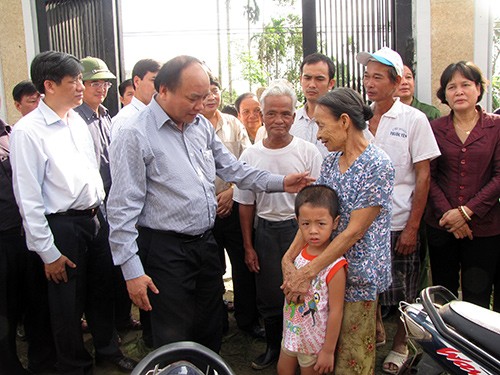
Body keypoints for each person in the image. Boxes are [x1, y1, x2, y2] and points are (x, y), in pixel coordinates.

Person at [107, 55, 314, 355]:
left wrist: (282, 182)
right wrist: (132, 271)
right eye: (193, 98)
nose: (200, 105)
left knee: (210, 324)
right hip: (165, 250)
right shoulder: (134, 133)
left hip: (205, 243)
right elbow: (122, 209)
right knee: (173, 331)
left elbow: (234, 170)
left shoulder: (199, 126)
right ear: (163, 90)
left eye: (204, 97)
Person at [10, 51, 135, 375]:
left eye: (81, 79)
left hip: (94, 219)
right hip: (62, 227)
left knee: (101, 291)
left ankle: (108, 350)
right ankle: (74, 364)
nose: (82, 86)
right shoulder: (28, 131)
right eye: (74, 80)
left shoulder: (76, 120)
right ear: (49, 85)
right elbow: (29, 198)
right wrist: (48, 253)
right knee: (67, 304)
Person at [281, 87, 395, 375]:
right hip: (324, 272)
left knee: (352, 356)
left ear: (344, 121)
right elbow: (314, 214)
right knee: (321, 349)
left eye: (321, 125)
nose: (318, 134)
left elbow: (353, 232)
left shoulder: (377, 165)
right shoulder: (331, 161)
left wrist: (306, 273)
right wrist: (289, 259)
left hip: (357, 275)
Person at [356, 47, 440, 374]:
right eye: (367, 76)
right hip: (363, 223)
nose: (370, 83)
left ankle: (401, 344)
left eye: (378, 77)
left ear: (396, 82)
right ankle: (372, 331)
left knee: (404, 290)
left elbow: (423, 175)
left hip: (399, 219)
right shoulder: (359, 118)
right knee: (366, 284)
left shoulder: (414, 119)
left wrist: (412, 227)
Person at [233, 80, 323, 370]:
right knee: (271, 294)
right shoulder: (250, 155)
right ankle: (276, 348)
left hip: (302, 233)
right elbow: (245, 203)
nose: (278, 120)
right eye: (271, 113)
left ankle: (304, 349)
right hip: (267, 231)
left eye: (285, 114)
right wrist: (248, 245)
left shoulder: (308, 152)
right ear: (262, 114)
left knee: (306, 292)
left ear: (294, 117)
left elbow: (319, 200)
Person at [74, 56, 141, 344]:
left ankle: (117, 324)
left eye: (104, 83)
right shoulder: (74, 119)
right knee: (94, 280)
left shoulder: (105, 116)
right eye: (94, 83)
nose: (101, 88)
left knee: (112, 271)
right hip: (87, 207)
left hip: (113, 202)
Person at [425, 61, 500, 312]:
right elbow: (429, 176)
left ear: (478, 89)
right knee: (443, 296)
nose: (459, 91)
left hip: (484, 228)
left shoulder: (496, 127)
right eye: (451, 86)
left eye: (466, 85)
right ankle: (445, 348)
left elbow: (499, 176)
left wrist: (466, 212)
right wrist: (451, 215)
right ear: (444, 94)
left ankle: (474, 349)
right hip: (441, 224)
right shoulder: (435, 128)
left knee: (477, 295)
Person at [200, 73, 264, 339]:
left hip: (234, 206)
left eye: (215, 90)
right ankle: (218, 324)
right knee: (211, 268)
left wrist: (232, 192)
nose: (212, 96)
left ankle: (247, 320)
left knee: (243, 265)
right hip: (205, 211)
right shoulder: (189, 125)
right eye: (205, 92)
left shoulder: (233, 124)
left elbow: (246, 164)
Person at [0, 97, 56, 375]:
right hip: (2, 239)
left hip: (24, 235)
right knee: (5, 310)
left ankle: (42, 362)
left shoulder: (8, 133)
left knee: (36, 303)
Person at [277, 185, 347, 375]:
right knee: (283, 370)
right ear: (297, 222)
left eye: (321, 223)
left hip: (314, 342)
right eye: (306, 224)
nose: (313, 231)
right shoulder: (296, 255)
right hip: (291, 333)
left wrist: (328, 350)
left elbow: (336, 310)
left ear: (335, 222)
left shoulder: (335, 266)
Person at [290, 53, 336, 157]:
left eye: (319, 79)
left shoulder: (341, 121)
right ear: (301, 80)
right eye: (307, 78)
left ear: (331, 83)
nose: (312, 85)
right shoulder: (291, 121)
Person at [111, 58, 161, 138]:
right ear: (137, 81)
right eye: (154, 80)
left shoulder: (161, 115)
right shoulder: (125, 120)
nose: (159, 86)